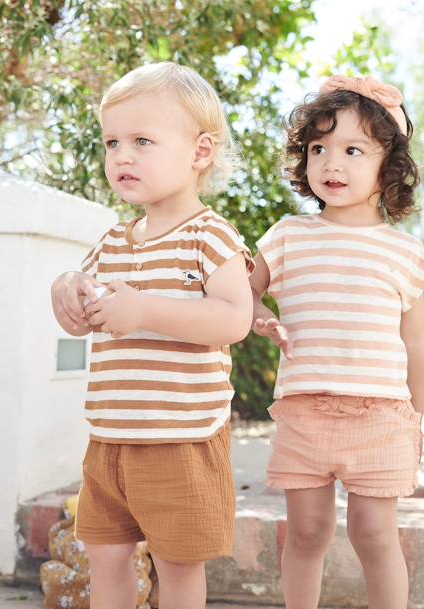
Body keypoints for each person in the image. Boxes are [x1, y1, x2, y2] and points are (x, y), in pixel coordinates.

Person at [51, 61, 254, 609]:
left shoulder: (211, 235)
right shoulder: (114, 240)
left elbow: (235, 318)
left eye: (142, 140)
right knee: (105, 555)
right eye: (112, 141)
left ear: (200, 152)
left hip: (182, 436)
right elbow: (84, 297)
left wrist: (144, 310)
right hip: (111, 435)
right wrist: (67, 287)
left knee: (178, 566)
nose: (122, 155)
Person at [250, 75, 424, 609]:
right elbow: (239, 297)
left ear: (387, 165)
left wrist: (419, 421)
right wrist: (256, 312)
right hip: (304, 412)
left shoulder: (406, 253)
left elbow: (416, 347)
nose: (331, 163)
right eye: (318, 148)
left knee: (375, 536)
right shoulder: (285, 236)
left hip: (382, 417)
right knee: (305, 533)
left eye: (353, 149)